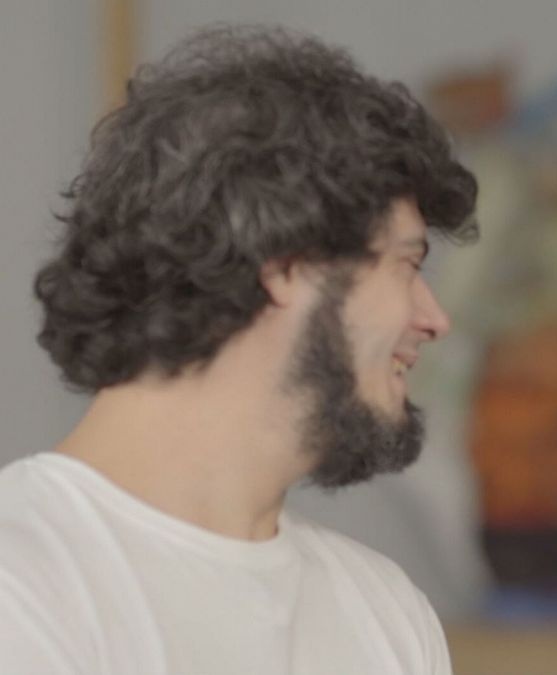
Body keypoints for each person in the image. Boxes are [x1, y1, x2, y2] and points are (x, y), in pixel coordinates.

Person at [0, 25, 476, 674]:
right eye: (406, 264)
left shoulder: (386, 613)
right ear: (285, 263)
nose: (434, 318)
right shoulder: (21, 588)